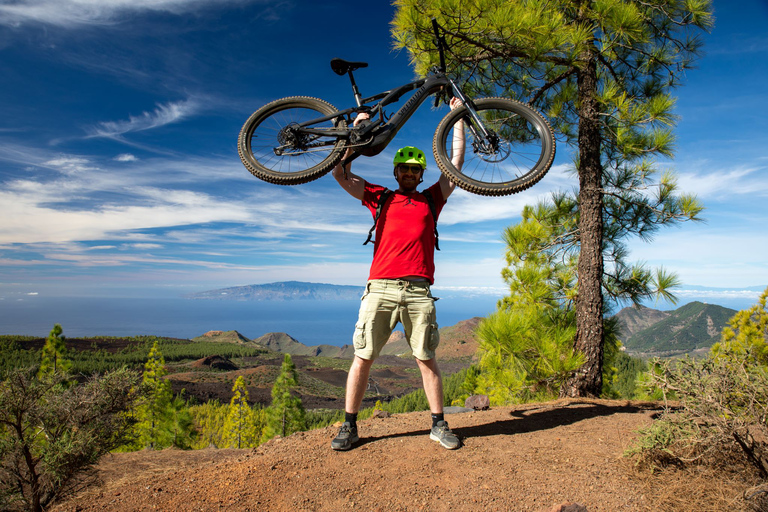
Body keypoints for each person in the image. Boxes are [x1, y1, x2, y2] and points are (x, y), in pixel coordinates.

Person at [330, 97, 465, 451]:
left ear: (421, 175)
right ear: (395, 173)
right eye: (403, 168)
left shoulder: (432, 199)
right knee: (363, 356)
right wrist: (356, 129)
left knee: (426, 358)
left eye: (414, 170)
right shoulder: (379, 197)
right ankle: (349, 426)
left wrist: (458, 117)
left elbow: (455, 165)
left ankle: (438, 425)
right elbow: (339, 172)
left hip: (419, 291)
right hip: (380, 288)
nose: (408, 173)